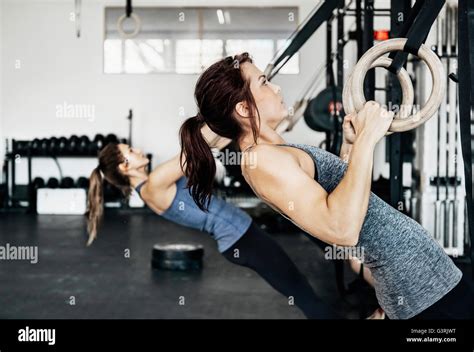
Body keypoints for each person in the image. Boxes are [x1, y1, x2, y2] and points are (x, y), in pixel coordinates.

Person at [179, 52, 474, 319]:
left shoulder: (276, 151)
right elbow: (341, 229)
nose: (277, 88)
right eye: (265, 82)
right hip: (420, 292)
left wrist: (351, 147)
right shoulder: (262, 161)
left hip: (427, 282)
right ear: (244, 108)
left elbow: (337, 197)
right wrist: (366, 142)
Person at [85, 127, 339, 319]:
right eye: (130, 151)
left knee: (297, 287)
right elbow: (197, 147)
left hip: (241, 238)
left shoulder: (153, 183)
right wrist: (220, 109)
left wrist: (227, 124)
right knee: (300, 291)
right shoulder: (153, 186)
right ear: (125, 166)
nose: (138, 150)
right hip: (242, 240)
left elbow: (206, 146)